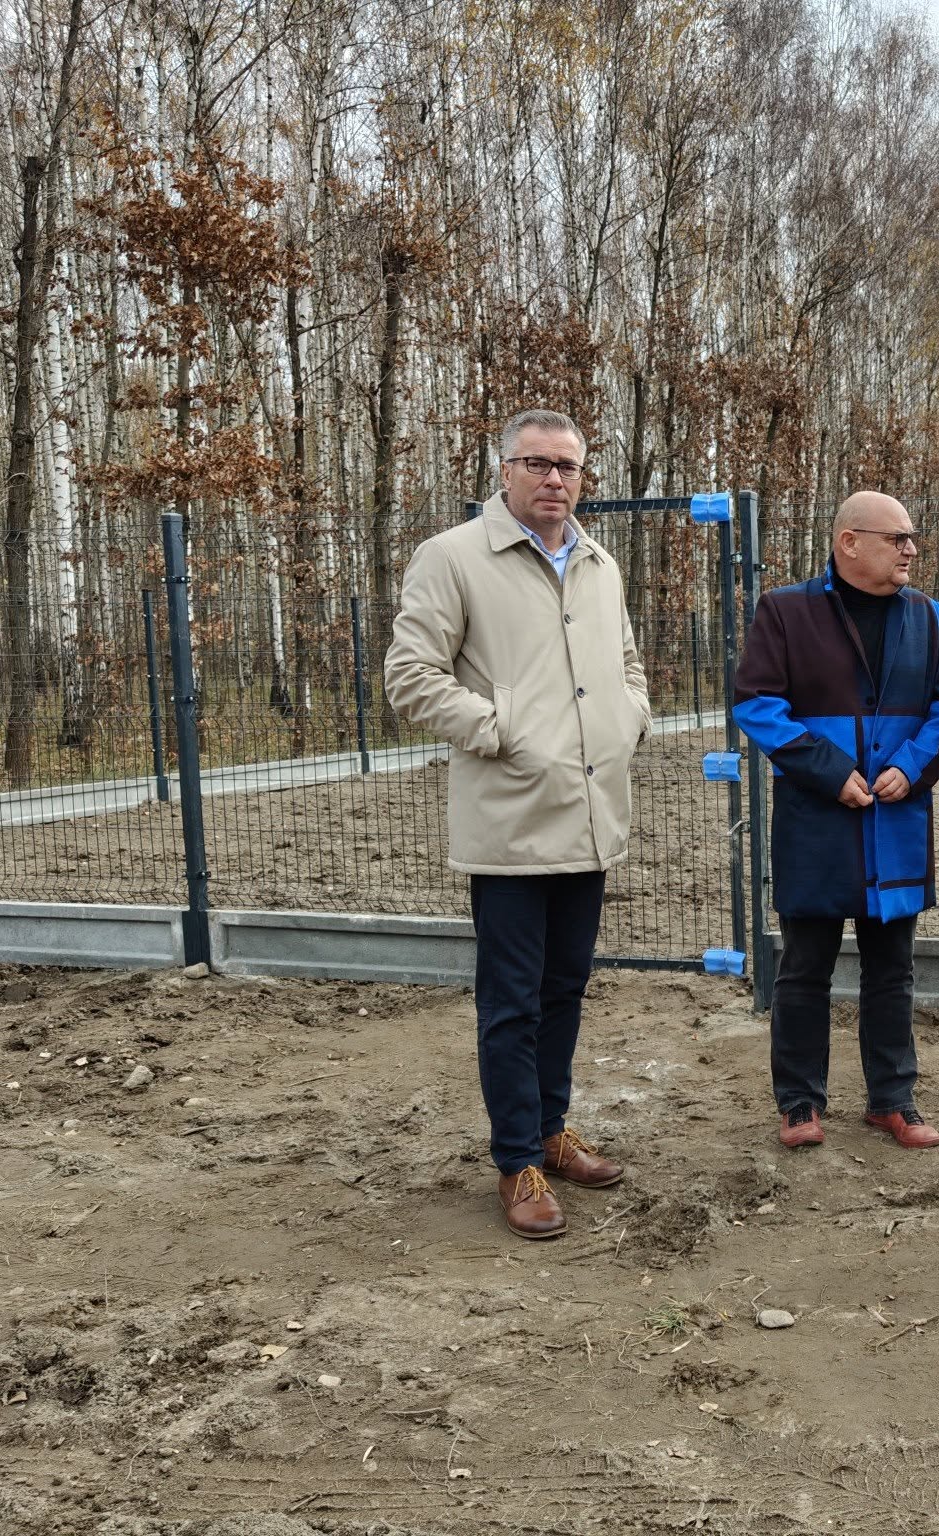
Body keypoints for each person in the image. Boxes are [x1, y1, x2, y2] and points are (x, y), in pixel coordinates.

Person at [383, 408, 648, 1240]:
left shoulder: (599, 563)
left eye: (567, 466)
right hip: (510, 822)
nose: (554, 479)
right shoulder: (455, 557)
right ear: (504, 471)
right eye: (537, 463)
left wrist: (629, 719)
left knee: (565, 988)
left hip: (590, 817)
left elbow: (628, 665)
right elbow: (410, 675)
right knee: (512, 1003)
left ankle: (552, 1130)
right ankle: (516, 1161)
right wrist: (503, 729)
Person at [732, 492, 939, 1150]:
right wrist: (828, 770)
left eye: (912, 538)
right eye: (898, 538)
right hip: (816, 822)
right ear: (849, 542)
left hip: (894, 822)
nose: (910, 549)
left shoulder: (927, 616)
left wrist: (911, 767)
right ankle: (799, 1102)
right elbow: (756, 703)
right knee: (804, 967)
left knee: (892, 969)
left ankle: (893, 1099)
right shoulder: (785, 611)